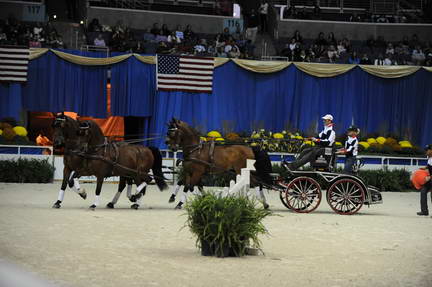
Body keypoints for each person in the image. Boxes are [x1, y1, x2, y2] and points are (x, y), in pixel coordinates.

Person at [417, 145, 432, 216]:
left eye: (427, 150)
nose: (426, 152)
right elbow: (430, 166)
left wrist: (430, 177)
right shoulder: (429, 158)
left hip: (430, 178)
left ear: (431, 150)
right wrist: (425, 168)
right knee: (423, 191)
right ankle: (424, 211)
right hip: (430, 178)